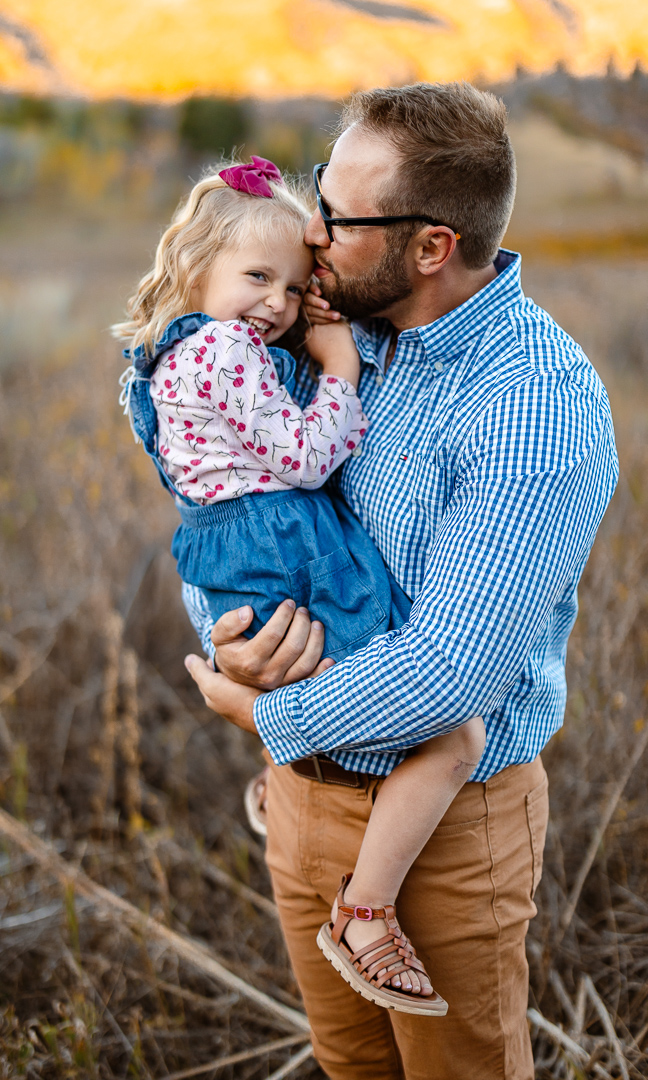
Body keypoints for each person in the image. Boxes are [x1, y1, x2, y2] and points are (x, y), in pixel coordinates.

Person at [182, 83, 619, 1080]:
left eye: (338, 216)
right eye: (313, 196)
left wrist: (261, 713)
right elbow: (221, 499)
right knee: (348, 1065)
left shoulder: (534, 408)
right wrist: (229, 635)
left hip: (446, 831)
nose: (312, 232)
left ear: (432, 246)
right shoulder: (323, 328)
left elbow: (447, 678)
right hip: (298, 803)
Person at [114, 155, 487, 1015]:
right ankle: (364, 911)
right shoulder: (224, 355)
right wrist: (341, 369)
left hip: (239, 546)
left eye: (292, 284)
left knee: (306, 664)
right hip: (286, 542)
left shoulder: (181, 349)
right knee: (451, 734)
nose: (277, 304)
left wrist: (301, 328)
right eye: (257, 277)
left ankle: (284, 765)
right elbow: (309, 455)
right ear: (195, 266)